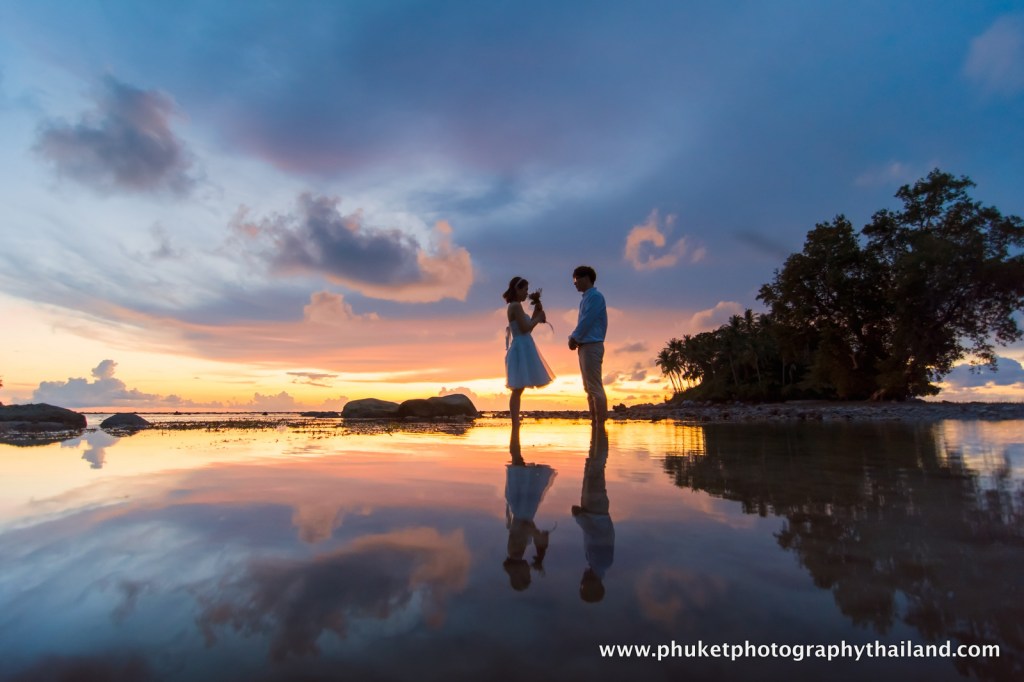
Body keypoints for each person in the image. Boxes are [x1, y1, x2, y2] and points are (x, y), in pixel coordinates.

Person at [503, 276, 555, 429]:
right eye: (525, 289)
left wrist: (537, 313)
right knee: (517, 388)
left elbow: (528, 327)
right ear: (517, 289)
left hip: (524, 345)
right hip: (521, 348)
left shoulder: (517, 306)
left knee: (519, 389)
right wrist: (537, 318)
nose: (527, 293)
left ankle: (515, 421)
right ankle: (514, 422)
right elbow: (525, 329)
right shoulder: (515, 306)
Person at [572, 425, 613, 602]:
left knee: (592, 466)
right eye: (584, 586)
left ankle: (598, 435)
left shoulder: (597, 564)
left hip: (594, 510)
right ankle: (600, 434)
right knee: (595, 467)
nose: (581, 581)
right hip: (596, 510)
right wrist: (579, 518)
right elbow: (597, 534)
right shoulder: (601, 563)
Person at [567, 265, 608, 424]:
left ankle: (600, 423)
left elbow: (587, 321)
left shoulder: (595, 297)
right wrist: (575, 338)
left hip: (592, 344)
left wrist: (574, 337)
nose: (575, 283)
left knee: (594, 387)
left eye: (576, 279)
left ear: (585, 278)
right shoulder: (587, 298)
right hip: (585, 345)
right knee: (589, 387)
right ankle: (595, 422)